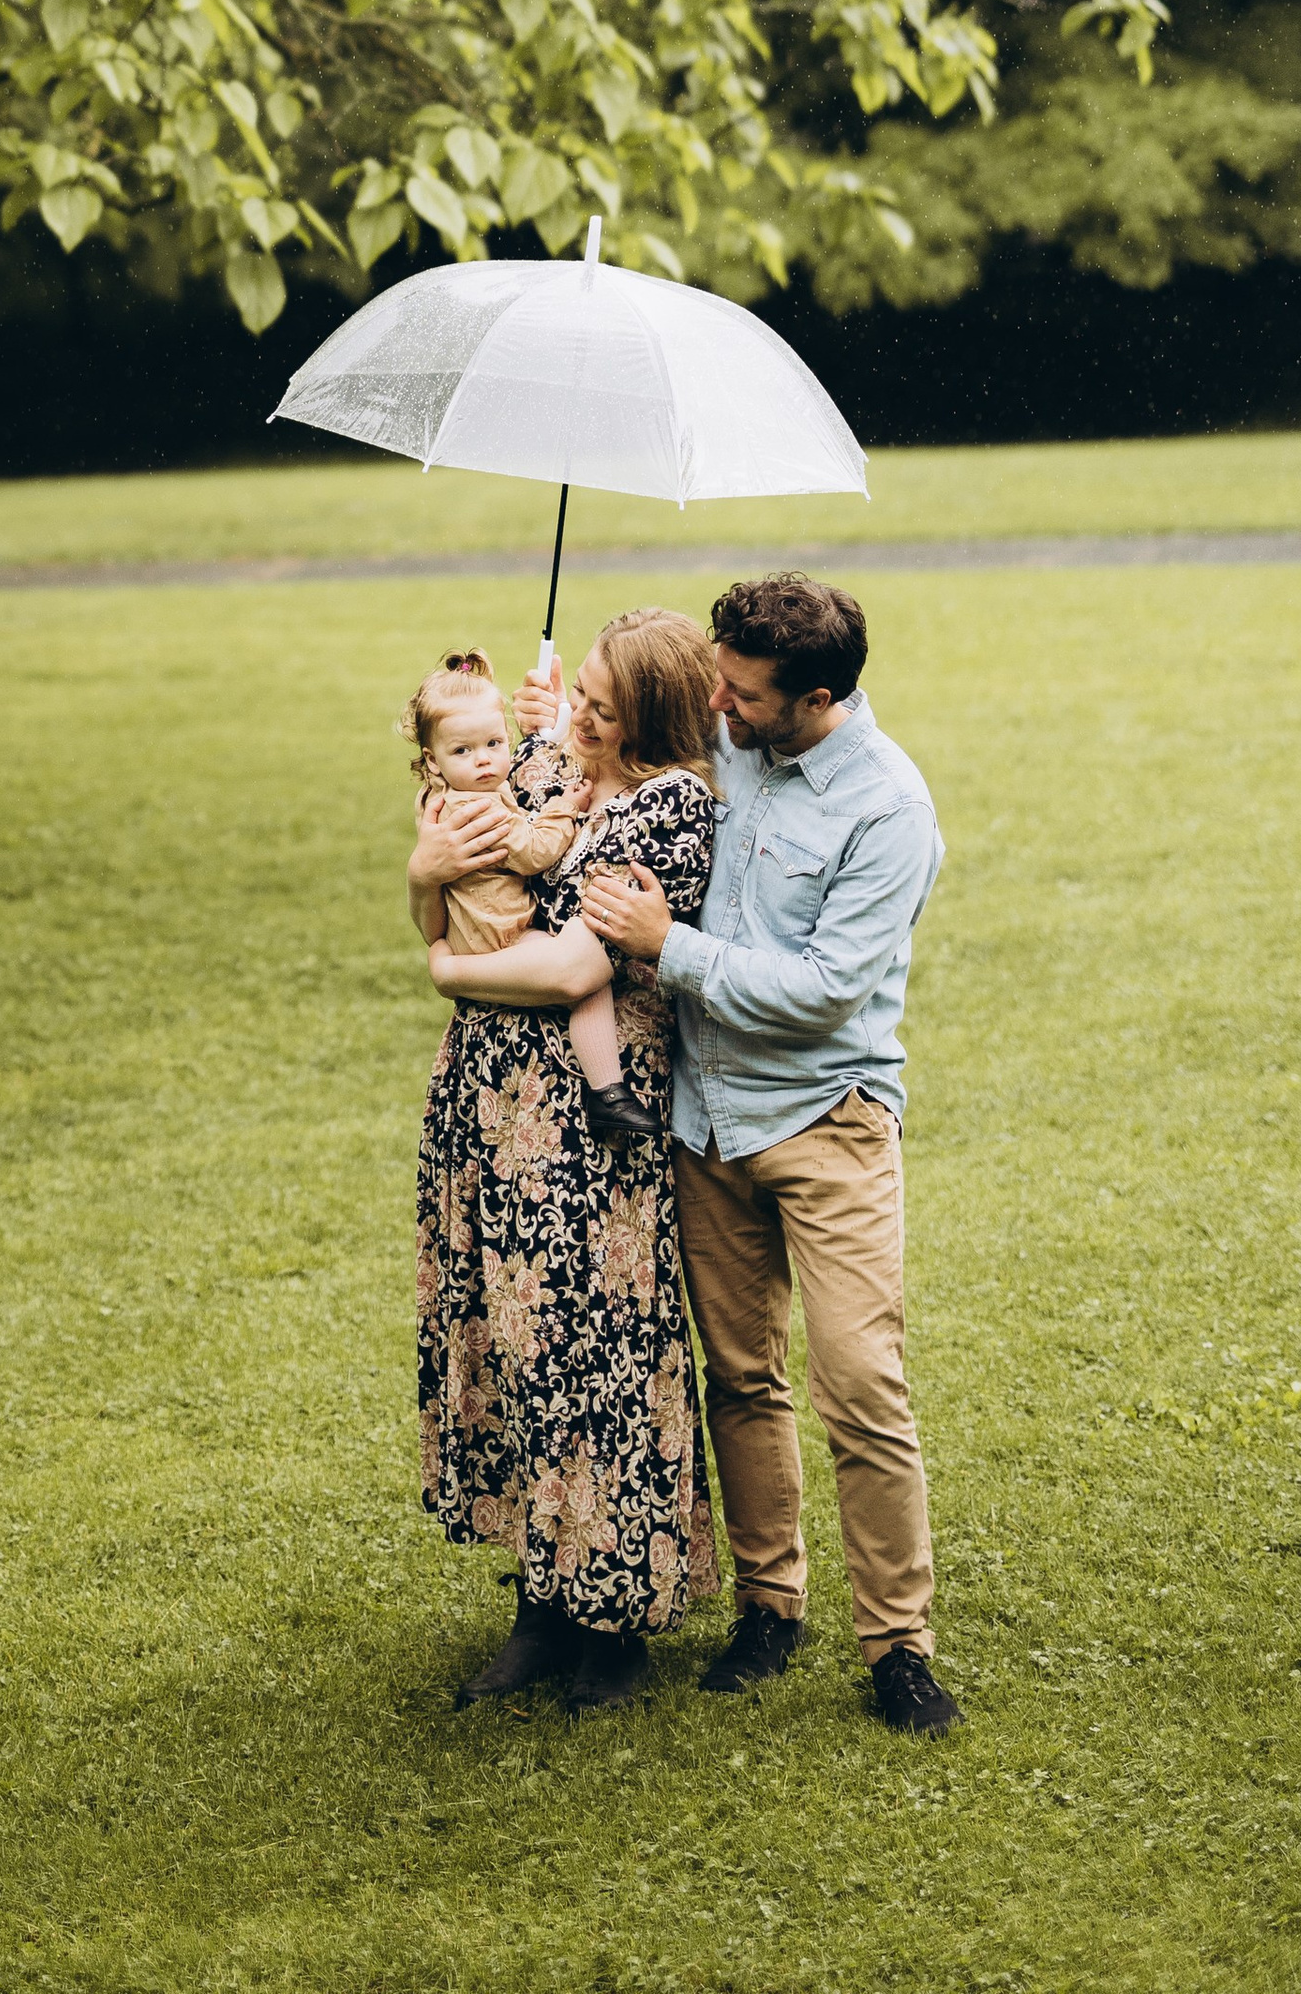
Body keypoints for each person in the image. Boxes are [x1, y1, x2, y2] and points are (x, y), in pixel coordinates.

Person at [578, 570, 960, 1740]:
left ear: (819, 698)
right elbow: (628, 746)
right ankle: (767, 1606)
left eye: (743, 697)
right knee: (739, 1377)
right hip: (704, 1124)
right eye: (719, 687)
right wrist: (560, 716)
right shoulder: (726, 742)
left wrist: (669, 946)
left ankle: (897, 1648)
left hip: (825, 1125)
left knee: (861, 1389)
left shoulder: (887, 810)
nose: (720, 711)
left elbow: (828, 991)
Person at [410, 608, 723, 1713]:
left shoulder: (673, 807)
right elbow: (447, 893)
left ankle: (615, 1623)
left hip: (590, 1127)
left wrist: (449, 974)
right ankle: (540, 1605)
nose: (572, 713)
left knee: (601, 1352)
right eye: (577, 691)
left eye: (600, 705)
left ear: (650, 715)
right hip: (488, 1107)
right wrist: (420, 875)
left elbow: (571, 969)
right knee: (518, 1347)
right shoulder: (542, 763)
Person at [402, 643, 655, 1142]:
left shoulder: (439, 798)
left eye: (495, 743)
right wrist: (566, 808)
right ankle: (608, 1091)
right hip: (501, 935)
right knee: (588, 980)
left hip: (471, 932)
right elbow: (535, 851)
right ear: (433, 759)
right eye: (463, 751)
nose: (484, 761)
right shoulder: (479, 810)